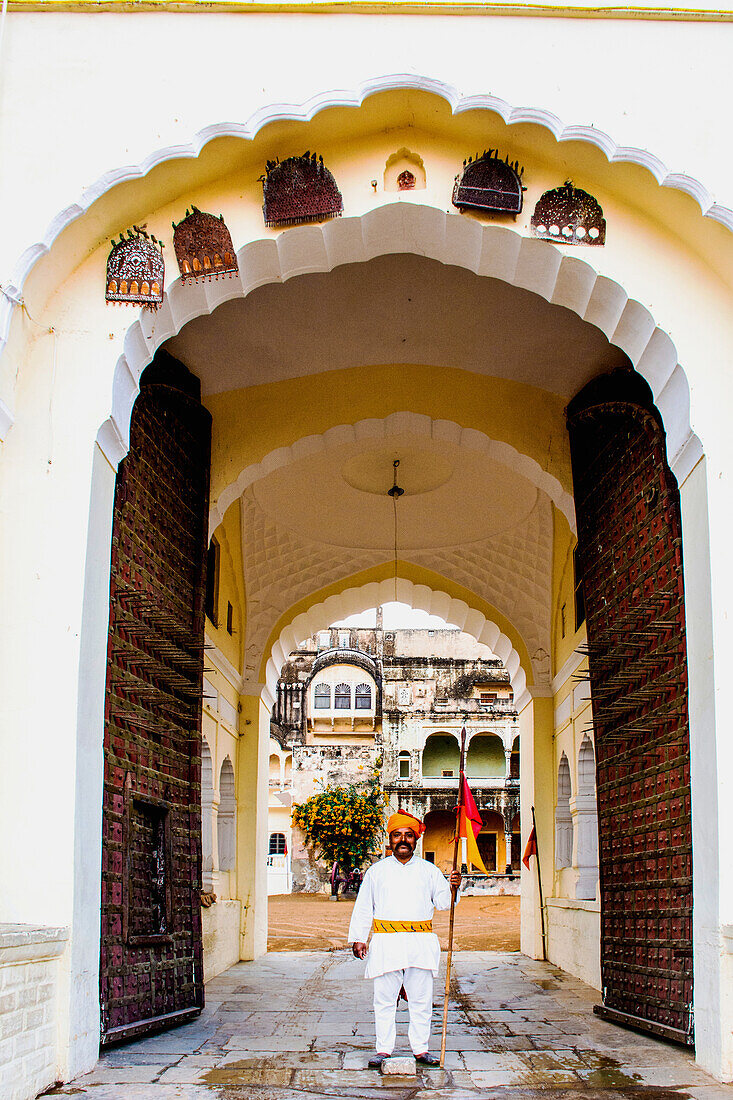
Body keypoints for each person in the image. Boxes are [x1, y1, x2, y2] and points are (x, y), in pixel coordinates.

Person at [347, 809, 461, 1068]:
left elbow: (444, 903)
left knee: (420, 1001)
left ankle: (421, 1050)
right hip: (387, 945)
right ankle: (383, 1049)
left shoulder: (429, 871)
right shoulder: (377, 872)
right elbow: (364, 906)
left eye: (408, 835)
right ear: (389, 840)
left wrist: (454, 886)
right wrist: (359, 937)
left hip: (420, 944)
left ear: (415, 840)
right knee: (384, 1000)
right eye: (397, 835)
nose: (403, 840)